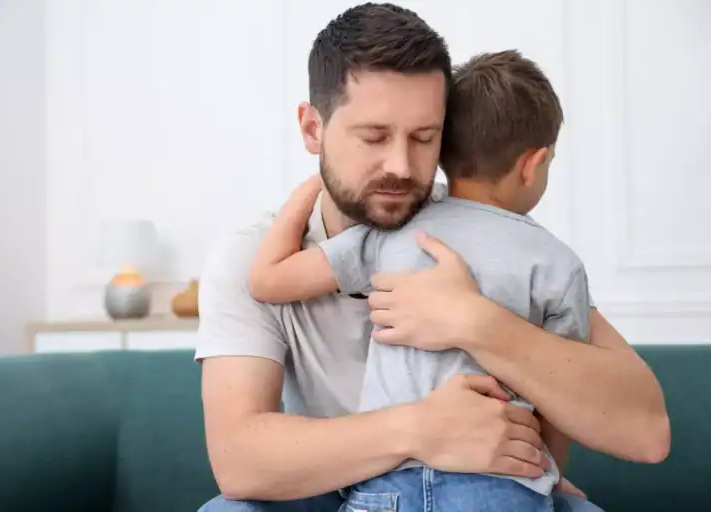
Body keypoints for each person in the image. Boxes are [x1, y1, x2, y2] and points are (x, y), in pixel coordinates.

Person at [195, 3, 670, 511]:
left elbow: (646, 432)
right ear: (313, 129)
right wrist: (421, 429)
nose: (401, 166)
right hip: (334, 491)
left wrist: (475, 322)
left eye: (425, 138)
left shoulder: (478, 237)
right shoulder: (250, 254)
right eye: (374, 137)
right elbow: (239, 460)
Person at [248, 49, 579, 511]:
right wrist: (551, 473)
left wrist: (307, 192)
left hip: (385, 486)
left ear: (442, 150)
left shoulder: (396, 234)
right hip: (500, 489)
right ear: (534, 163)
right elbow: (562, 397)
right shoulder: (558, 265)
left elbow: (269, 280)